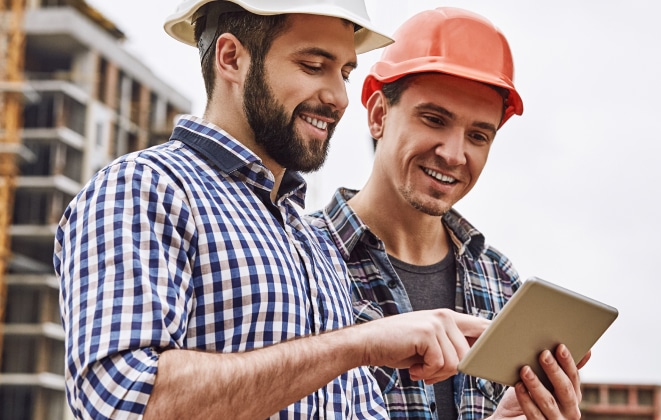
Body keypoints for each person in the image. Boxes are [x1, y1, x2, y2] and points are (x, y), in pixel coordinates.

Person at [53, 1, 493, 418]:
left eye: (344, 72)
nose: (339, 97)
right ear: (231, 58)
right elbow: (122, 402)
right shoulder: (146, 189)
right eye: (313, 66)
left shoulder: (311, 242)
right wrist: (356, 344)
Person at [307, 7, 588, 420]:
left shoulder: (501, 283)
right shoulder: (300, 260)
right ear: (378, 115)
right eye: (434, 119)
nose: (454, 154)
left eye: (478, 135)